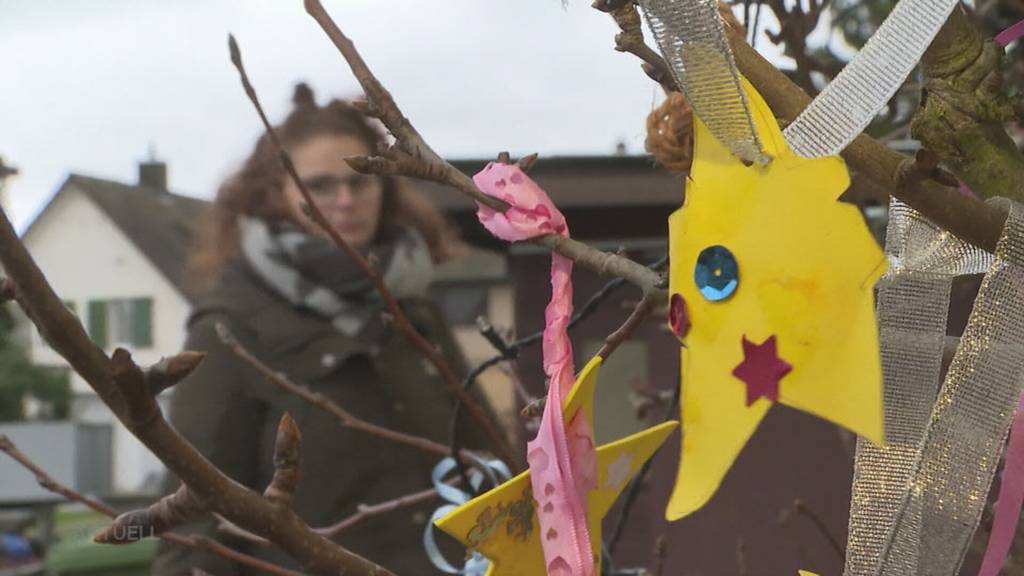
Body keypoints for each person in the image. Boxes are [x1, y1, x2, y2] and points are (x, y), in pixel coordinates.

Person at [152, 83, 491, 575]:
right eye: (322, 185)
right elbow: (192, 524)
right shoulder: (230, 329)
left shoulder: (414, 311)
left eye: (362, 180)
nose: (346, 200)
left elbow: (494, 467)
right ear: (276, 194)